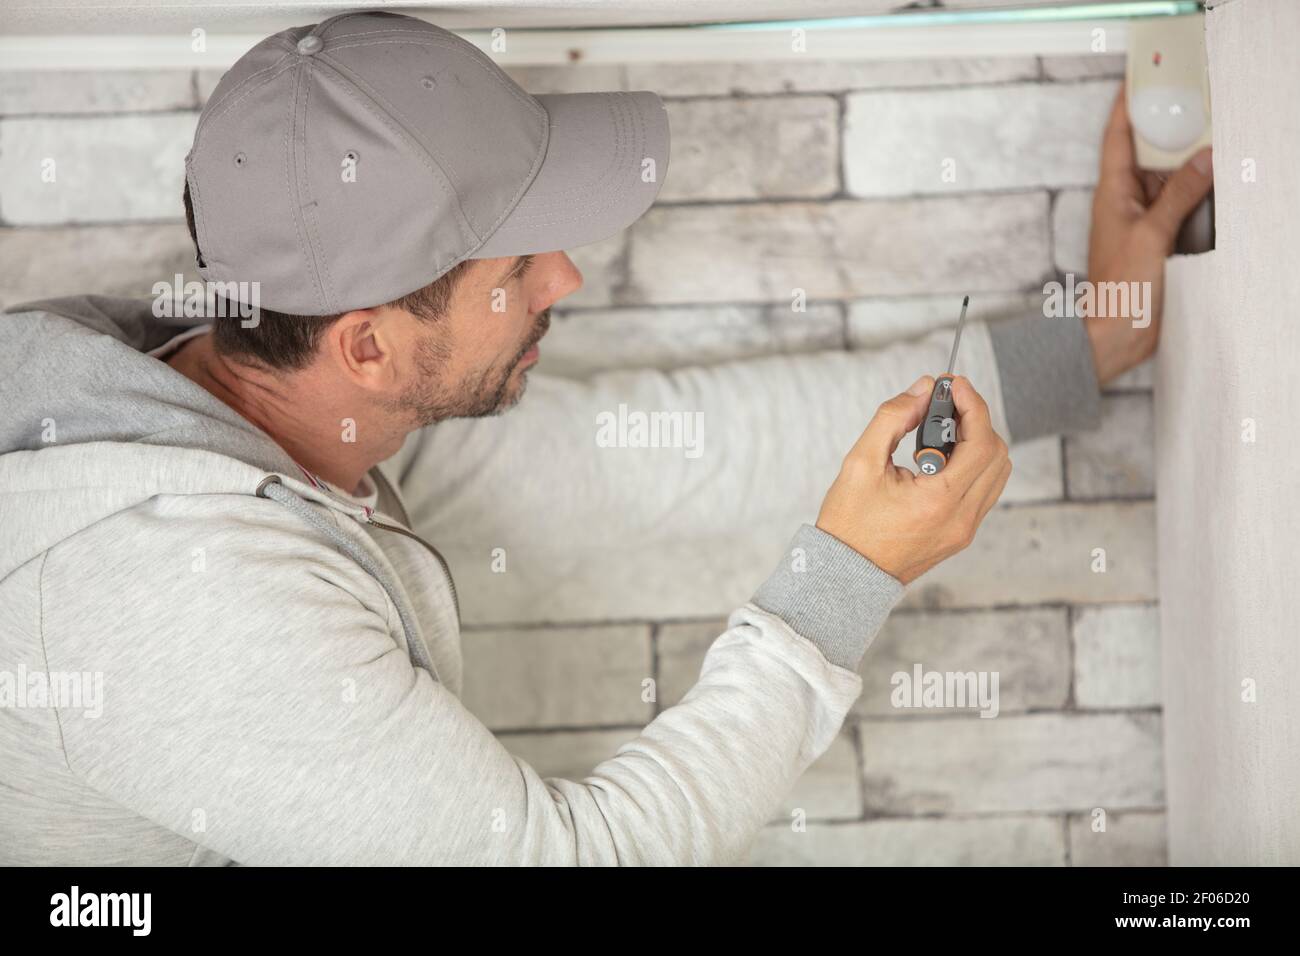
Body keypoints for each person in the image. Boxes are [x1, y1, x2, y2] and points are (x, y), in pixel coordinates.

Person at [0, 11, 1212, 865]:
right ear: (365, 343)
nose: (568, 275)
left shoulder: (235, 393)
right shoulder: (191, 610)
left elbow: (661, 459)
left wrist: (1085, 351)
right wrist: (845, 583)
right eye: (520, 266)